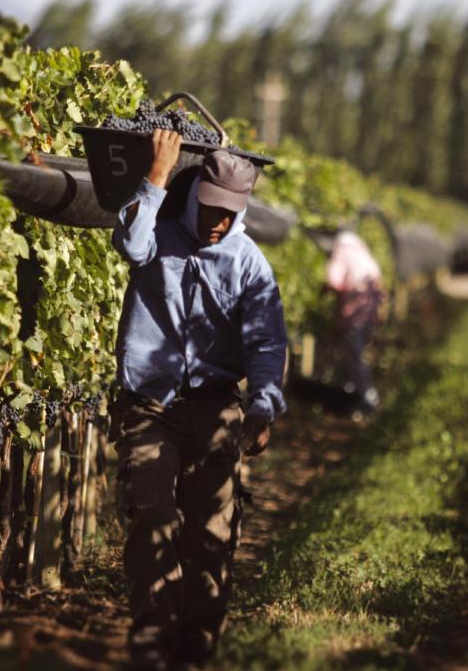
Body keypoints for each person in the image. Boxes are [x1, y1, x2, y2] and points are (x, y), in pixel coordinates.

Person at [109, 129, 288, 669]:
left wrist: (262, 406)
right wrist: (158, 176)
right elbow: (129, 244)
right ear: (193, 198)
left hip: (215, 408)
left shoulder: (249, 262)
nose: (218, 222)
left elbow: (266, 342)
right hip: (151, 405)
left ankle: (195, 648)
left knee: (211, 535)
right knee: (153, 518)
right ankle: (151, 645)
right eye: (210, 209)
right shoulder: (157, 232)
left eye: (229, 214)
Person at [324, 229, 383, 413]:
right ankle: (354, 393)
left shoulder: (342, 249)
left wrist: (324, 290)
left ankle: (367, 396)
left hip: (356, 305)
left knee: (353, 352)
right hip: (369, 306)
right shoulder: (361, 250)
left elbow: (334, 280)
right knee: (356, 351)